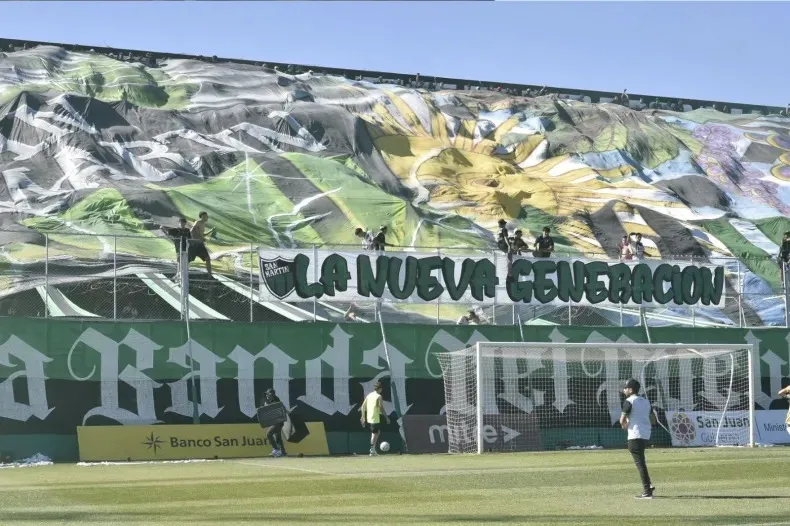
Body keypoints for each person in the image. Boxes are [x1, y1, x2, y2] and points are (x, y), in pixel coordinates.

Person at [620, 379, 656, 499]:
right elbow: (652, 418)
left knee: (640, 463)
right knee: (641, 462)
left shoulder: (629, 401)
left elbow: (622, 420)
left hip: (635, 435)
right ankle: (649, 485)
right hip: (646, 434)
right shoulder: (646, 401)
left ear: (630, 390)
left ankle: (647, 491)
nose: (624, 390)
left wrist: (624, 425)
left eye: (625, 388)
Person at [360, 382, 389, 456]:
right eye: (381, 389)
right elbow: (381, 408)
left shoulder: (369, 395)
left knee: (377, 432)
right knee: (374, 434)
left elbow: (363, 406)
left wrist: (363, 416)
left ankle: (373, 449)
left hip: (370, 418)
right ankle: (372, 450)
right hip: (374, 418)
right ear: (380, 389)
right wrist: (386, 417)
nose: (382, 390)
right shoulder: (379, 396)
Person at [262, 388, 286, 457]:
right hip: (275, 422)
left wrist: (267, 405)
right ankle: (282, 452)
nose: (266, 395)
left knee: (269, 434)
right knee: (278, 438)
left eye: (267, 394)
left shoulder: (276, 401)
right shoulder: (270, 401)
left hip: (278, 422)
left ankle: (276, 449)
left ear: (271, 395)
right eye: (266, 394)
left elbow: (272, 407)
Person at [189, 211, 212, 278]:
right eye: (206, 216)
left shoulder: (203, 224)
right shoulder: (198, 222)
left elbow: (202, 234)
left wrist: (210, 231)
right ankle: (180, 272)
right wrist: (199, 238)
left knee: (207, 259)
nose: (207, 217)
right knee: (188, 260)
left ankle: (209, 275)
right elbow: (191, 232)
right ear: (202, 216)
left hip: (200, 244)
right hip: (194, 244)